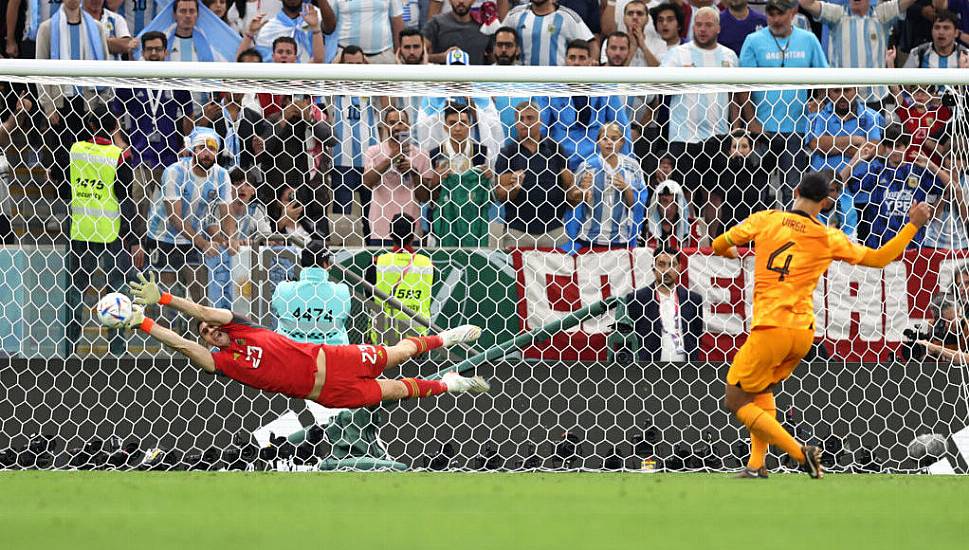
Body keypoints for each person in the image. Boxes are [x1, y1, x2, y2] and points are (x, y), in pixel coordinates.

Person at [711, 172, 933, 479]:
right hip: (802, 333)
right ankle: (756, 465)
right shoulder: (828, 236)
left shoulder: (766, 219)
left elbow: (718, 243)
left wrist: (730, 250)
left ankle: (802, 454)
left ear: (795, 189)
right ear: (826, 202)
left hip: (770, 327)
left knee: (735, 399)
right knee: (761, 390)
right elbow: (881, 258)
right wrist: (913, 224)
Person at [125, 273, 490, 409]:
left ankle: (444, 338)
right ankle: (449, 384)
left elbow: (205, 310)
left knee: (396, 353)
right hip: (328, 395)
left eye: (208, 326)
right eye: (205, 334)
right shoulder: (223, 362)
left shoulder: (242, 327)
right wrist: (144, 323)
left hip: (335, 360)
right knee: (394, 390)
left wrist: (166, 300)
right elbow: (182, 345)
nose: (207, 330)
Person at [65, 106, 139, 356]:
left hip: (80, 227)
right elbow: (126, 197)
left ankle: (69, 346)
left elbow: (65, 185)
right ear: (114, 126)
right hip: (112, 230)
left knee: (76, 287)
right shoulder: (118, 156)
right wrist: (132, 235)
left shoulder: (75, 151)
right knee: (117, 289)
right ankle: (117, 350)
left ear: (90, 124)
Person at [738, 0, 828, 206]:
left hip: (797, 128)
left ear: (793, 12)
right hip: (762, 129)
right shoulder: (753, 40)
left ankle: (790, 235)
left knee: (793, 190)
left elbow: (825, 77)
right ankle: (758, 237)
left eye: (781, 13)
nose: (775, 19)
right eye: (771, 13)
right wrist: (751, 121)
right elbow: (742, 85)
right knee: (756, 191)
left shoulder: (809, 39)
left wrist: (818, 102)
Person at [114, 32, 195, 239]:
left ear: (165, 52)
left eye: (158, 49)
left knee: (171, 211)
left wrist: (187, 141)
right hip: (140, 157)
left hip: (170, 158)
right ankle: (140, 252)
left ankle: (166, 252)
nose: (153, 53)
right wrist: (119, 141)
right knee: (139, 209)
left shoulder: (176, 80)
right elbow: (115, 113)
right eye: (149, 49)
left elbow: (189, 116)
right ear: (142, 51)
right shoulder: (131, 80)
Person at [662, 6, 739, 217]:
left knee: (715, 194)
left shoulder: (729, 56)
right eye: (698, 24)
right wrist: (679, 76)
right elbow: (657, 86)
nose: (702, 29)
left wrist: (737, 131)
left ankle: (710, 245)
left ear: (718, 28)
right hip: (683, 135)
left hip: (718, 135)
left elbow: (735, 98)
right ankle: (686, 240)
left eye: (708, 25)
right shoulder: (677, 54)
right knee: (685, 191)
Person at [145, 128, 232, 304]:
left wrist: (231, 238)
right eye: (202, 147)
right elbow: (175, 218)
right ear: (193, 149)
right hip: (163, 238)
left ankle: (195, 331)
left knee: (200, 298)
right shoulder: (175, 172)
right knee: (165, 299)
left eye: (212, 148)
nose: (207, 153)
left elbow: (226, 213)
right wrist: (204, 243)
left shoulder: (221, 175)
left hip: (192, 240)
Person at [839, 130, 948, 248]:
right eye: (890, 146)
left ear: (906, 147)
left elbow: (952, 187)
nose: (894, 150)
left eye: (898, 146)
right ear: (885, 148)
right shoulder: (876, 171)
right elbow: (840, 183)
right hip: (880, 246)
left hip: (911, 245)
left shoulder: (918, 172)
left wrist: (931, 166)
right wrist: (856, 158)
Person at [798, 0, 913, 106]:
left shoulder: (882, 13)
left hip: (874, 99)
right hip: (840, 100)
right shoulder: (837, 13)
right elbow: (807, 3)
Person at [495, 100, 574, 248]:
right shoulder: (508, 153)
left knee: (557, 271)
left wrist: (577, 190)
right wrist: (514, 188)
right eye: (520, 119)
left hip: (553, 230)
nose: (525, 123)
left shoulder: (556, 149)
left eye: (530, 118)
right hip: (517, 232)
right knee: (515, 271)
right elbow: (500, 195)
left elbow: (568, 190)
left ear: (540, 121)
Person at [567, 122, 647, 248]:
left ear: (622, 142)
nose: (609, 142)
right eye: (604, 138)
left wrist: (626, 188)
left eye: (614, 139)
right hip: (589, 238)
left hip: (620, 239)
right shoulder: (587, 166)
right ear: (598, 142)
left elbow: (638, 205)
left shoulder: (632, 167)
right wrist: (582, 192)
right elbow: (570, 199)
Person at [363, 106, 435, 246]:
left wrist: (413, 172)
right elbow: (367, 182)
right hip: (381, 229)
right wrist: (391, 158)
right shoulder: (373, 151)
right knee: (381, 267)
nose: (397, 126)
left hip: (411, 232)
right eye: (392, 122)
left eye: (401, 122)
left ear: (408, 125)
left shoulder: (422, 155)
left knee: (410, 268)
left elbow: (425, 197)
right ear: (385, 126)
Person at [428, 102, 493, 247]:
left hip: (474, 225)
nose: (457, 128)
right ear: (445, 126)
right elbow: (427, 197)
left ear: (470, 125)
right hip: (444, 223)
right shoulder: (434, 155)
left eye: (462, 123)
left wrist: (489, 178)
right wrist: (436, 180)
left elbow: (491, 196)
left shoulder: (483, 153)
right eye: (452, 123)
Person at [626, 245, 704, 362]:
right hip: (648, 371)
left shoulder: (693, 300)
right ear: (653, 267)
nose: (666, 270)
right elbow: (628, 339)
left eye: (672, 265)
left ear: (679, 268)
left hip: (687, 372)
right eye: (661, 264)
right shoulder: (637, 299)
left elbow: (696, 335)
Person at [370, 213, 435, 344]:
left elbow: (369, 296)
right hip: (416, 336)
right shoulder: (427, 264)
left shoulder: (377, 262)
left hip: (384, 333)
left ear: (390, 234)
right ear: (413, 236)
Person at [272, 240, 352, 344]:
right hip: (330, 355)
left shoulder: (283, 290)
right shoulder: (342, 292)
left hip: (291, 354)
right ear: (325, 264)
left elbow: (276, 307)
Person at [806, 87, 884, 175]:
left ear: (856, 91)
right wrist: (855, 140)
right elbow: (817, 144)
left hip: (859, 182)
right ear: (828, 93)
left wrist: (831, 147)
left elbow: (874, 150)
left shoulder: (871, 116)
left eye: (846, 90)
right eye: (836, 91)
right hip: (823, 182)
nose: (842, 96)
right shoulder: (818, 113)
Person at [501, 0, 594, 66]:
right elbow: (498, 42)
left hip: (557, 84)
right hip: (524, 83)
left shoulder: (568, 17)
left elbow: (591, 43)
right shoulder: (514, 15)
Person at [241, 0, 326, 64]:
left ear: (296, 58)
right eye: (280, 52)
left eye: (289, 52)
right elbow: (241, 61)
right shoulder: (268, 28)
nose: (284, 56)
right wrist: (250, 33)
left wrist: (315, 28)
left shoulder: (314, 16)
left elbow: (318, 60)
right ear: (273, 56)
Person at [324, 0, 404, 64]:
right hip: (347, 56)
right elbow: (329, 25)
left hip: (383, 56)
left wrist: (398, 54)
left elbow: (397, 21)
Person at [422, 0, 490, 64]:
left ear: (473, 1)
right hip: (443, 75)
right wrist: (441, 57)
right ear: (449, 1)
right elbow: (417, 55)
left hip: (477, 75)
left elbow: (495, 58)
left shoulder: (485, 25)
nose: (461, 1)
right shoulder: (436, 23)